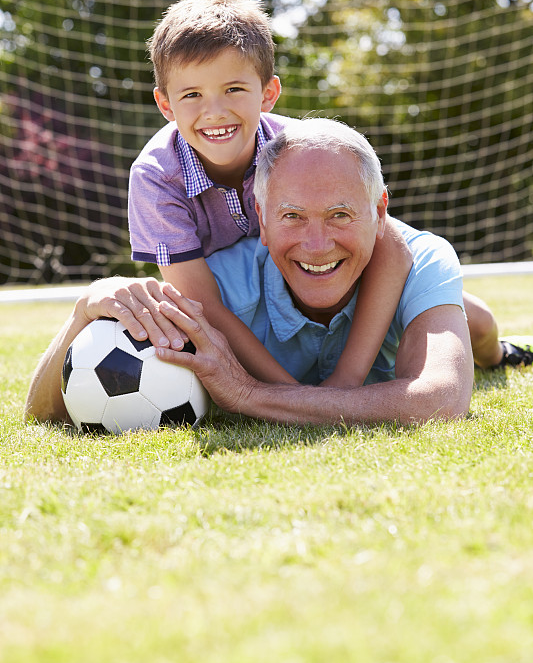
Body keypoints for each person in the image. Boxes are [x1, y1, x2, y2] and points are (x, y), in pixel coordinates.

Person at [28, 117, 529, 429]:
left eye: (340, 215)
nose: (316, 244)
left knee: (476, 328)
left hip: (426, 285)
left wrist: (249, 395)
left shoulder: (421, 257)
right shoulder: (216, 291)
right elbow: (40, 413)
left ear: (380, 212)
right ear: (261, 222)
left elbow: (441, 398)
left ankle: (500, 350)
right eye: (291, 216)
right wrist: (85, 310)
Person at [128, 0, 413, 390]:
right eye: (192, 94)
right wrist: (290, 396)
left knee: (467, 319)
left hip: (324, 280)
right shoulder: (155, 179)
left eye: (234, 89)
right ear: (165, 105)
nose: (215, 111)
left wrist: (344, 383)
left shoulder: (297, 149)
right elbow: (202, 305)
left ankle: (500, 349)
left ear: (268, 94)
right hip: (244, 310)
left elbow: (389, 243)